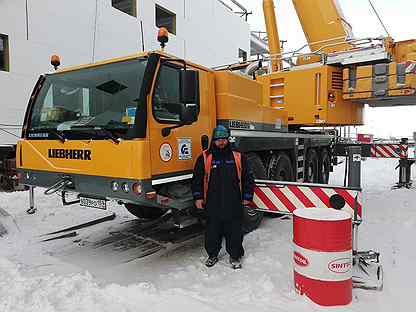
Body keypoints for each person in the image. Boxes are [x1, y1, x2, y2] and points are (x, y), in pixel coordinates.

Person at [192, 125, 254, 269]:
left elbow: (248, 178)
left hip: (234, 202)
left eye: (224, 139)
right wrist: (198, 197)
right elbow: (197, 179)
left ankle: (235, 256)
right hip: (212, 202)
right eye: (218, 140)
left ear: (228, 140)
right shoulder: (205, 157)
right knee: (212, 231)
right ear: (213, 140)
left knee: (235, 231)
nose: (221, 142)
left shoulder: (238, 157)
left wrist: (247, 196)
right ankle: (212, 255)